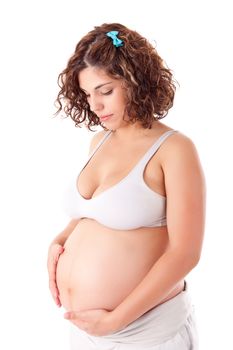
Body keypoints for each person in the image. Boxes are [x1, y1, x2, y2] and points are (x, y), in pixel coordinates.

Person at [47, 22, 206, 350]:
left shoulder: (174, 149)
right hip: (86, 333)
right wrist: (60, 240)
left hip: (145, 333)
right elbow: (93, 214)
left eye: (105, 91)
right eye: (88, 94)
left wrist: (116, 319)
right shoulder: (99, 142)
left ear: (136, 82)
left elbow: (185, 253)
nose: (95, 105)